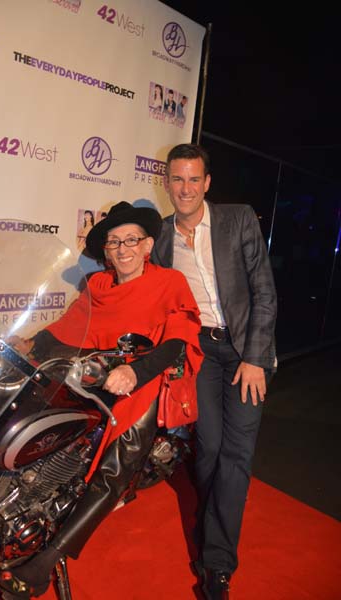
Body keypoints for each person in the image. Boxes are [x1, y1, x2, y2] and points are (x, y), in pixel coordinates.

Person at [0, 201, 203, 599]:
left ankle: (45, 563)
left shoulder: (169, 281)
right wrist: (29, 344)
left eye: (131, 240)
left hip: (143, 378)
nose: (123, 249)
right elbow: (69, 329)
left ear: (147, 246)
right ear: (106, 251)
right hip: (92, 374)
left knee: (119, 457)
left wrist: (136, 372)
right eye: (114, 242)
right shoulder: (97, 286)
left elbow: (178, 339)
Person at [151, 144, 277, 600]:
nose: (185, 189)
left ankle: (216, 565)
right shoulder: (160, 238)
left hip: (244, 349)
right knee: (207, 451)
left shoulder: (238, 219)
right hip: (199, 353)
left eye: (193, 180)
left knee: (236, 456)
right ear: (166, 183)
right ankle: (215, 515)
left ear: (206, 183)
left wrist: (256, 358)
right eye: (177, 179)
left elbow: (264, 292)